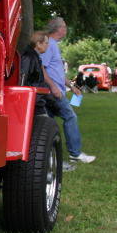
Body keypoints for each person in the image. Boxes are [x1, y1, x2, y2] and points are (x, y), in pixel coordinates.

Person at [40, 17, 96, 164]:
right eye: (64, 27)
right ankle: (75, 153)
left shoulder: (54, 45)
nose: (66, 29)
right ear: (59, 29)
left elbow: (58, 72)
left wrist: (71, 86)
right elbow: (42, 68)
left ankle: (47, 156)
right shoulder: (49, 45)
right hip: (53, 92)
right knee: (70, 117)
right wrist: (53, 87)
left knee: (49, 123)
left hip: (56, 90)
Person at [21, 31, 76, 172]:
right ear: (38, 44)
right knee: (46, 135)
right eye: (45, 43)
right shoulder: (29, 58)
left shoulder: (34, 57)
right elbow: (24, 80)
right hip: (35, 103)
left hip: (39, 101)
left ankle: (51, 164)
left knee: (46, 133)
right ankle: (54, 165)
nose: (47, 45)